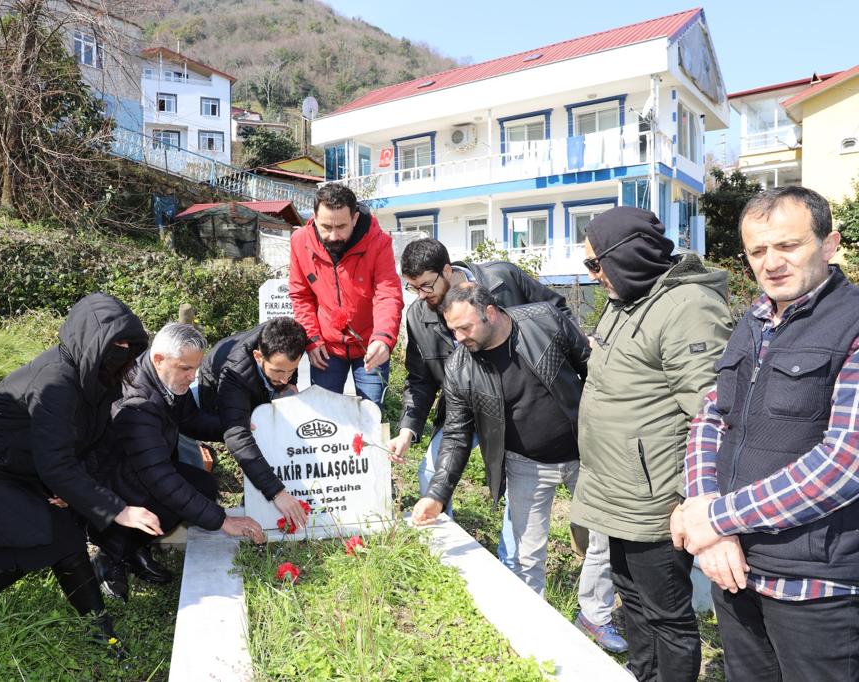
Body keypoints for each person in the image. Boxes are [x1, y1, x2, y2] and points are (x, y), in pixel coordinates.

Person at [388, 238, 624, 652]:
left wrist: (612, 428)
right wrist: (438, 495)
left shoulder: (543, 321)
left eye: (464, 328)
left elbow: (593, 371)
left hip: (584, 452)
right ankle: (529, 626)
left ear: (491, 312)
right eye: (451, 330)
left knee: (603, 542)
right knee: (527, 553)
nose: (457, 338)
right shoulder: (459, 365)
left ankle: (595, 616)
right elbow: (458, 433)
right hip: (525, 460)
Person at [674, 186, 859, 682]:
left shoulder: (853, 324)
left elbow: (844, 463)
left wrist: (716, 517)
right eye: (757, 251)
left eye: (788, 246)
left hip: (815, 588)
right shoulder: (753, 321)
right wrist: (704, 510)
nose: (771, 262)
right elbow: (712, 417)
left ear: (829, 244)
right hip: (733, 569)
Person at [0, 293, 157, 652]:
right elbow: (56, 463)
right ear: (89, 339)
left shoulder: (98, 381)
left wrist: (74, 488)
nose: (122, 352)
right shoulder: (55, 382)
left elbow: (88, 445)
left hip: (12, 464)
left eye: (129, 345)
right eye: (114, 344)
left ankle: (100, 630)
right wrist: (117, 509)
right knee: (37, 533)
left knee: (62, 533)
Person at [570, 206, 733, 682]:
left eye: (595, 264)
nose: (593, 275)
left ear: (628, 256)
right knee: (633, 603)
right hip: (615, 492)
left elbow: (711, 414)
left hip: (656, 499)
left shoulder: (688, 308)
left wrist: (689, 497)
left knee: (666, 614)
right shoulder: (628, 301)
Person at [91, 323, 266, 601]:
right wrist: (223, 521)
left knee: (202, 486)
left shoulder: (165, 378)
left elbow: (191, 420)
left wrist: (233, 426)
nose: (192, 376)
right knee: (171, 498)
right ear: (159, 359)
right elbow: (161, 480)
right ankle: (110, 555)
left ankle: (136, 546)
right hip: (112, 482)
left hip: (142, 468)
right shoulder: (137, 404)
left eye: (195, 368)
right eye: (186, 368)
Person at [288, 183, 403, 409]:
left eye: (341, 226)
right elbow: (301, 296)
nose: (333, 235)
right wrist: (311, 338)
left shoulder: (378, 242)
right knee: (325, 416)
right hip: (326, 349)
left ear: (355, 218)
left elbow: (387, 294)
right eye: (326, 227)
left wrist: (383, 338)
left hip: (369, 344)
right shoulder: (300, 241)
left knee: (371, 415)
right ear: (314, 217)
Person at [197, 316, 312, 533]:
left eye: (292, 370)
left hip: (256, 384)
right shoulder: (234, 374)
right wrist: (277, 492)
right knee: (248, 432)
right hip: (215, 393)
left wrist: (287, 383)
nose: (286, 378)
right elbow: (237, 437)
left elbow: (285, 375)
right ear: (259, 356)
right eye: (279, 371)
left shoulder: (285, 336)